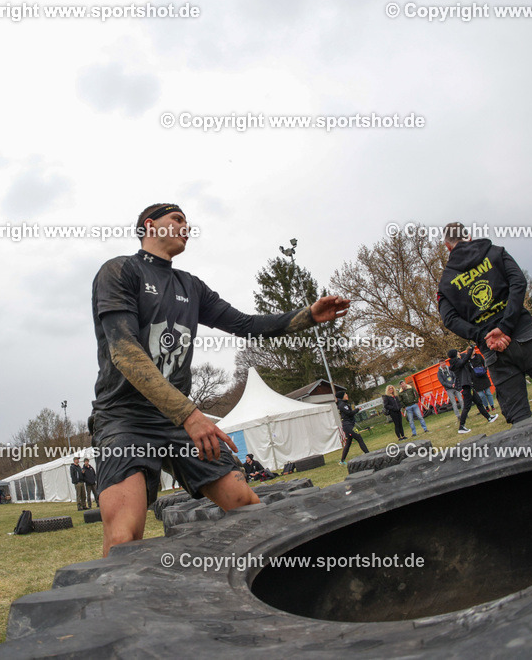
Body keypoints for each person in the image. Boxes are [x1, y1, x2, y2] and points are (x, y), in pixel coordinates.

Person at [90, 203, 350, 556]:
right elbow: (124, 353)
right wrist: (191, 415)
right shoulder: (120, 271)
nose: (186, 226)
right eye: (177, 219)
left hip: (176, 420)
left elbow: (245, 324)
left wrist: (306, 317)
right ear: (150, 225)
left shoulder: (190, 286)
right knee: (124, 538)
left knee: (245, 503)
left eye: (187, 221)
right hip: (124, 418)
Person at [438, 222, 532, 425]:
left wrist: (484, 335)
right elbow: (519, 282)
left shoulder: (445, 283)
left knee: (519, 417)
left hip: (493, 350)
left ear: (447, 247)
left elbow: (449, 319)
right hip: (525, 334)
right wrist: (506, 326)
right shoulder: (496, 252)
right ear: (468, 236)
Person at [448, 346, 498, 433]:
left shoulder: (457, 362)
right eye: (457, 352)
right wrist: (470, 350)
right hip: (465, 387)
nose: (459, 353)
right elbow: (465, 360)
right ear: (455, 355)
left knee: (478, 402)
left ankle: (489, 417)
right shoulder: (456, 363)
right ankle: (461, 427)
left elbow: (465, 359)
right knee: (467, 407)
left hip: (468, 385)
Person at [336, 393, 368, 464]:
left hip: (348, 425)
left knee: (348, 442)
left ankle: (342, 461)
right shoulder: (342, 404)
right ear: (342, 396)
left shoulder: (343, 404)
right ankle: (368, 454)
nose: (347, 395)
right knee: (359, 438)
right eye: (345, 395)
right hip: (348, 426)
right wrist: (357, 410)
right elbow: (349, 413)